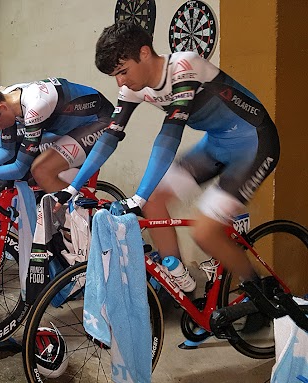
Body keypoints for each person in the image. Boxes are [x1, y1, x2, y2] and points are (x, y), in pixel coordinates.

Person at [55, 21, 282, 327]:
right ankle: (176, 281)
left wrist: (138, 195)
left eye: (123, 71)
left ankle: (261, 298)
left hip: (254, 143)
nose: (121, 81)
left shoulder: (184, 66)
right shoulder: (133, 88)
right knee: (154, 203)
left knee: (204, 231)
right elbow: (109, 138)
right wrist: (72, 189)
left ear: (144, 53)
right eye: (115, 75)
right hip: (216, 144)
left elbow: (169, 135)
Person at [0, 79, 114, 193]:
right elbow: (6, 151)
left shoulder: (34, 109)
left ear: (2, 108)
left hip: (99, 119)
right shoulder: (6, 99)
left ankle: (78, 223)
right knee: (40, 170)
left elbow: (19, 169)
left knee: (41, 170)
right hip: (71, 127)